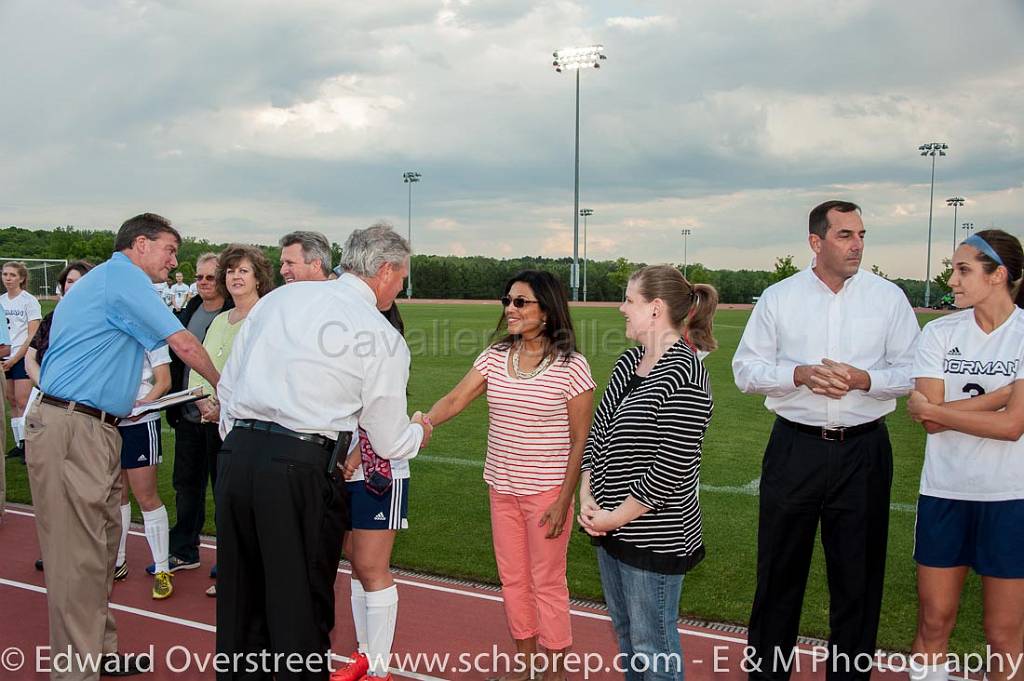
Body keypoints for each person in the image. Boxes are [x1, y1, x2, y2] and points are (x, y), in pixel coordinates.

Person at [215, 223, 431, 681]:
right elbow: (389, 439)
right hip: (301, 467)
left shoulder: (278, 300)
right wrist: (418, 432)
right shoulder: (378, 332)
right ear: (386, 270)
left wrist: (241, 443)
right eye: (402, 275)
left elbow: (229, 387)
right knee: (299, 609)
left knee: (240, 603)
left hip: (238, 458)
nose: (402, 285)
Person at [25, 213, 220, 679]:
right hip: (74, 428)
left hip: (94, 427)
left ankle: (99, 652)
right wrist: (227, 386)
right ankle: (77, 671)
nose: (175, 262)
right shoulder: (121, 279)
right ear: (140, 244)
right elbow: (185, 343)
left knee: (99, 549)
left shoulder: (112, 284)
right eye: (170, 250)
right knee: (78, 557)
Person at [732, 200, 920, 681]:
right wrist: (797, 374)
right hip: (795, 449)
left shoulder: (888, 298)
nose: (857, 244)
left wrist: (864, 380)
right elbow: (745, 370)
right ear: (816, 242)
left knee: (858, 584)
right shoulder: (779, 297)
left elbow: (912, 372)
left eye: (861, 234)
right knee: (778, 579)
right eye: (845, 235)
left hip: (864, 452)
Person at [425, 270, 595, 681]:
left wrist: (563, 501)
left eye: (521, 302)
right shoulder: (495, 357)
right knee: (513, 580)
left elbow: (580, 442)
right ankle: (525, 668)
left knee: (547, 582)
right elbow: (456, 397)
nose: (510, 309)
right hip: (501, 489)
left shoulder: (572, 366)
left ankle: (555, 672)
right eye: (507, 300)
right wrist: (422, 423)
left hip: (546, 494)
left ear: (547, 309)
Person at [579, 265, 716, 681]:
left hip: (652, 535)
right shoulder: (629, 361)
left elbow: (670, 468)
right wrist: (587, 494)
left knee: (653, 646)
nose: (621, 308)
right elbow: (599, 430)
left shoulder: (686, 373)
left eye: (629, 300)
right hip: (610, 528)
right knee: (628, 637)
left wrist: (615, 517)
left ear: (655, 309)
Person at [905, 230, 1024, 681]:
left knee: (1003, 635)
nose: (951, 280)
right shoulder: (939, 332)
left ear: (999, 276)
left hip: (1011, 498)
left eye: (963, 270)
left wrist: (939, 409)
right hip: (944, 493)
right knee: (934, 621)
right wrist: (1001, 396)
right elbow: (929, 420)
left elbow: (1013, 428)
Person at [186, 244, 274, 597]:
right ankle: (233, 573)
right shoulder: (222, 319)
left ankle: (255, 577)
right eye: (231, 270)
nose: (235, 277)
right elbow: (200, 366)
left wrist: (227, 405)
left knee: (252, 505)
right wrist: (204, 401)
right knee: (227, 501)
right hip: (214, 421)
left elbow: (261, 375)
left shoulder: (266, 317)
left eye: (243, 271)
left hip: (250, 426)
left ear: (258, 278)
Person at [330, 303, 409, 681]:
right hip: (347, 471)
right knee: (355, 561)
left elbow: (384, 419)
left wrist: (358, 453)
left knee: (372, 567)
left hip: (379, 473)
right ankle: (365, 655)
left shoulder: (388, 355)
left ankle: (379, 669)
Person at [163, 253, 233, 578]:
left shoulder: (233, 315)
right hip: (190, 415)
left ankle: (228, 560)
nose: (204, 282)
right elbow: (179, 359)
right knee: (186, 485)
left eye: (210, 277)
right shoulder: (189, 310)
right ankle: (183, 550)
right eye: (200, 277)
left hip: (221, 418)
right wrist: (177, 406)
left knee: (224, 490)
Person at [24, 260, 93, 570]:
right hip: (50, 406)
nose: (71, 287)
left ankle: (81, 552)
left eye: (78, 281)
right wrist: (51, 386)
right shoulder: (53, 319)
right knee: (51, 487)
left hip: (84, 414)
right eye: (68, 282)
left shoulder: (98, 321)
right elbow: (30, 358)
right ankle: (53, 549)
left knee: (82, 489)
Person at [114, 345, 174, 599]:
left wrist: (142, 405)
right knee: (116, 495)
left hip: (140, 422)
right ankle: (117, 561)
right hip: (109, 420)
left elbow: (164, 381)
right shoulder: (106, 327)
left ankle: (162, 569)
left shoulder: (150, 333)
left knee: (146, 496)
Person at [2, 261, 42, 462]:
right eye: (5, 274)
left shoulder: (29, 301)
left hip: (21, 356)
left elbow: (32, 335)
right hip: (5, 357)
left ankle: (29, 443)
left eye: (12, 275)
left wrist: (16, 358)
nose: (8, 278)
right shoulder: (1, 301)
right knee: (11, 401)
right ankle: (19, 443)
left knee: (23, 401)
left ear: (22, 278)